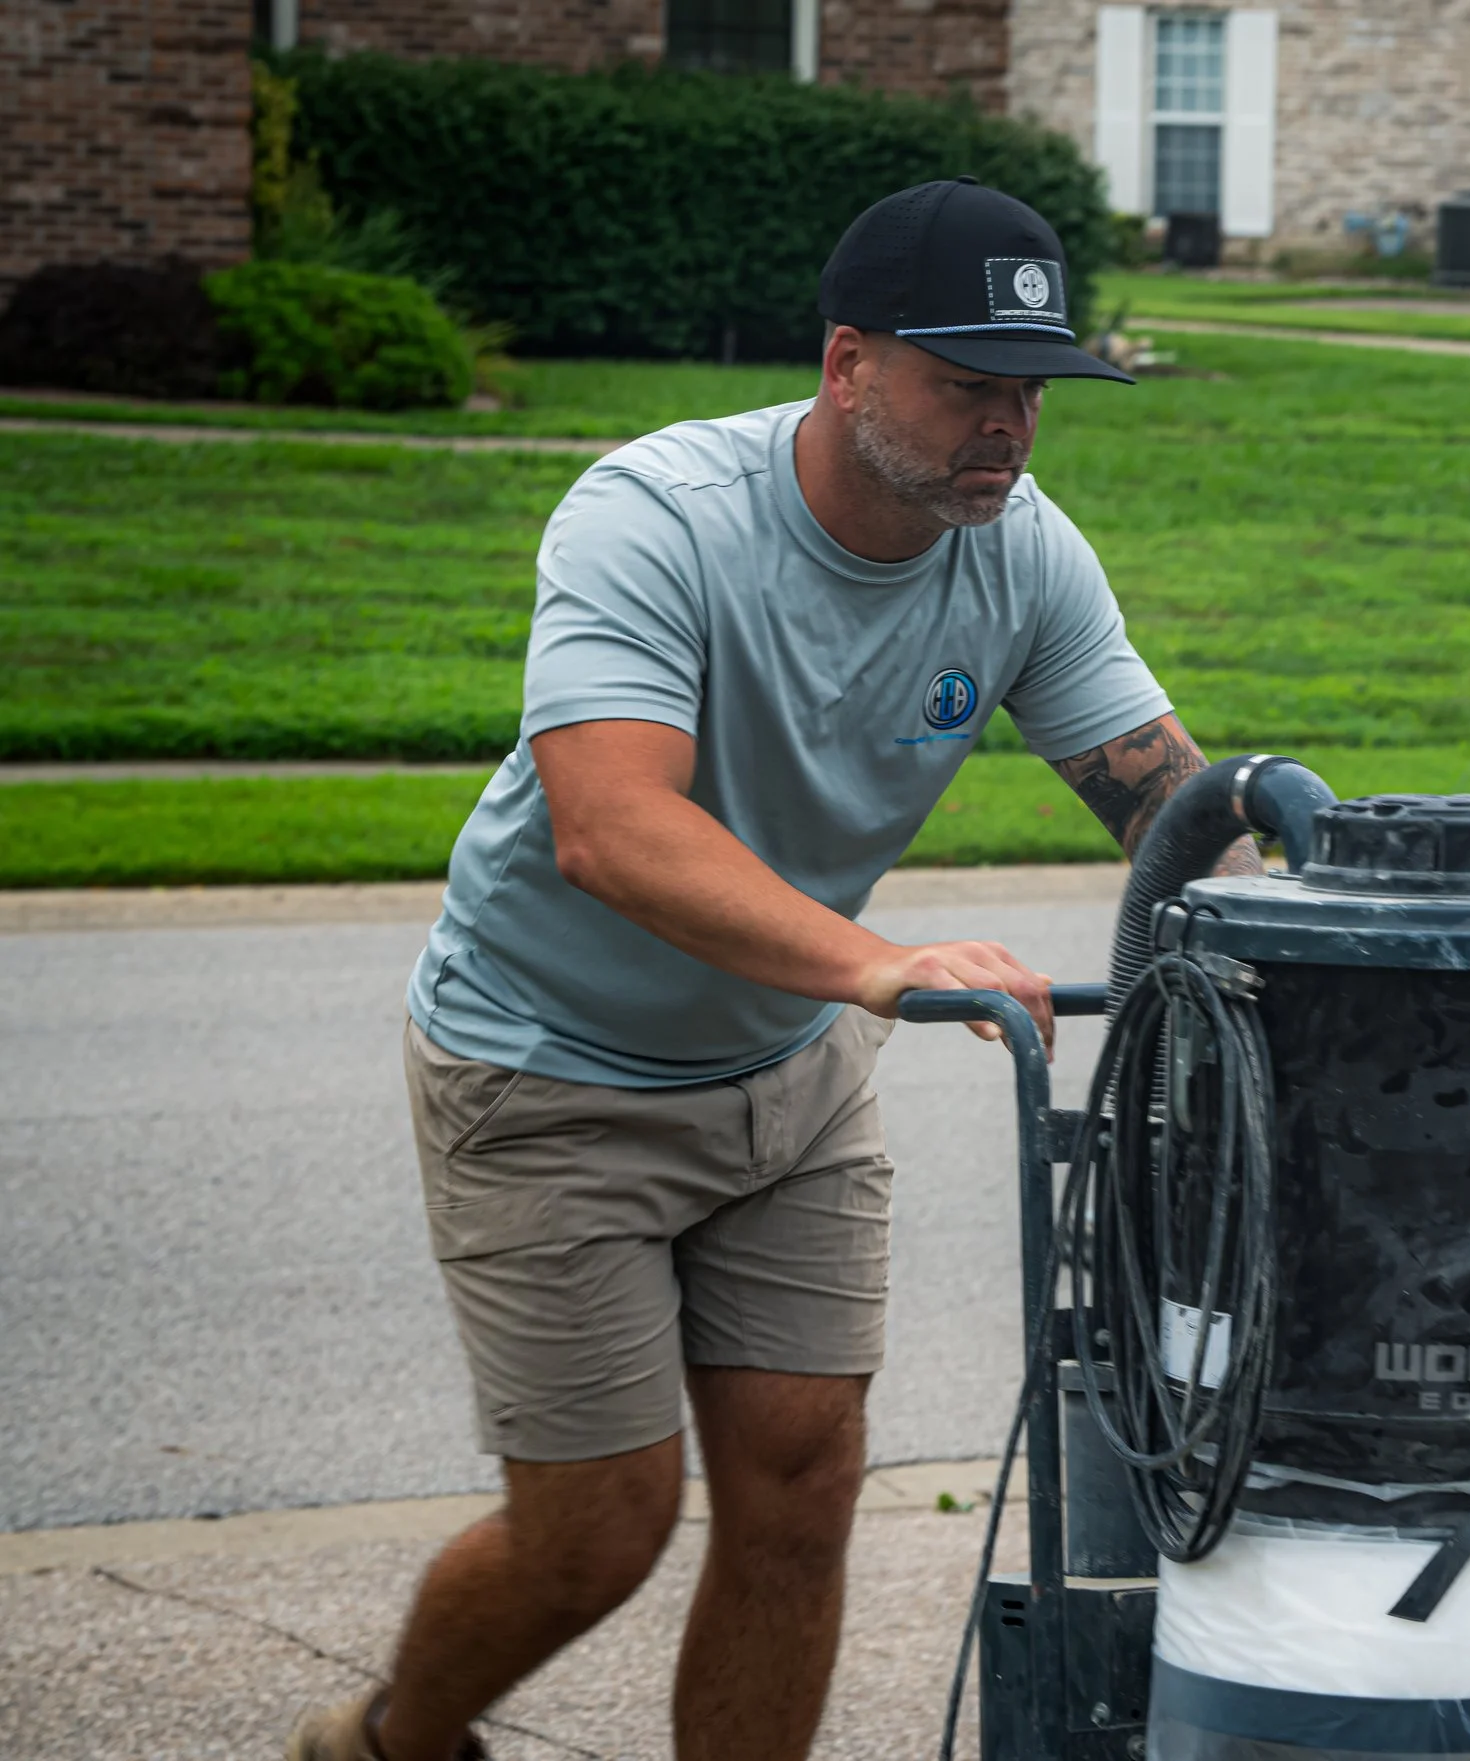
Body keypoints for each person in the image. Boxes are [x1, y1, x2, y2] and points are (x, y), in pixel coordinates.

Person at [287, 178, 1255, 1761]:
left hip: (787, 1078)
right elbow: (610, 827)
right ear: (846, 361)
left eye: (1027, 392)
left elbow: (1170, 806)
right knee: (596, 1532)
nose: (1004, 429)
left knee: (803, 1492)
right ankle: (391, 1743)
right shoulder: (654, 515)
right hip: (546, 1068)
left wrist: (1330, 918)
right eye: (965, 386)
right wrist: (876, 965)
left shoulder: (1019, 551)